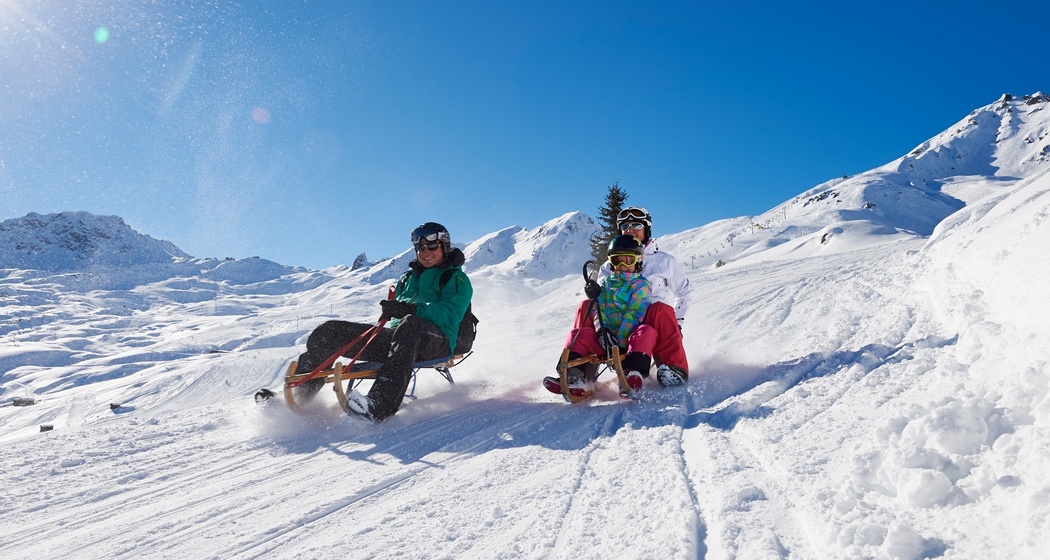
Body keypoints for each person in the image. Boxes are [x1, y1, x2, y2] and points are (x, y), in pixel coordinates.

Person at [287, 222, 473, 421]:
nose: (425, 252)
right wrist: (391, 311)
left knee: (411, 324)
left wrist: (410, 309)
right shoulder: (407, 278)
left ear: (444, 246)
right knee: (329, 331)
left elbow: (450, 313)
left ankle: (379, 405)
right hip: (401, 338)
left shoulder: (456, 278)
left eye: (432, 246)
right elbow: (401, 318)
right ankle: (301, 395)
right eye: (420, 248)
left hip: (438, 340)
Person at [543, 235, 656, 397]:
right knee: (578, 334)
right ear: (611, 263)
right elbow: (599, 310)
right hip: (606, 341)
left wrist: (620, 344)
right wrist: (601, 333)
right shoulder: (605, 284)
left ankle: (632, 374)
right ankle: (574, 378)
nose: (623, 266)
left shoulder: (641, 285)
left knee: (646, 331)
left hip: (630, 343)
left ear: (637, 261)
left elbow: (634, 313)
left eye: (628, 260)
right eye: (617, 261)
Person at [595, 206, 691, 386]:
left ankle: (674, 368)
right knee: (587, 305)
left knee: (660, 309)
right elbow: (600, 300)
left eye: (636, 225)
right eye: (625, 226)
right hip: (618, 323)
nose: (630, 230)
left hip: (652, 323)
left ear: (646, 230)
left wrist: (677, 322)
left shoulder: (664, 261)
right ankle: (578, 373)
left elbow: (685, 292)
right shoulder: (609, 265)